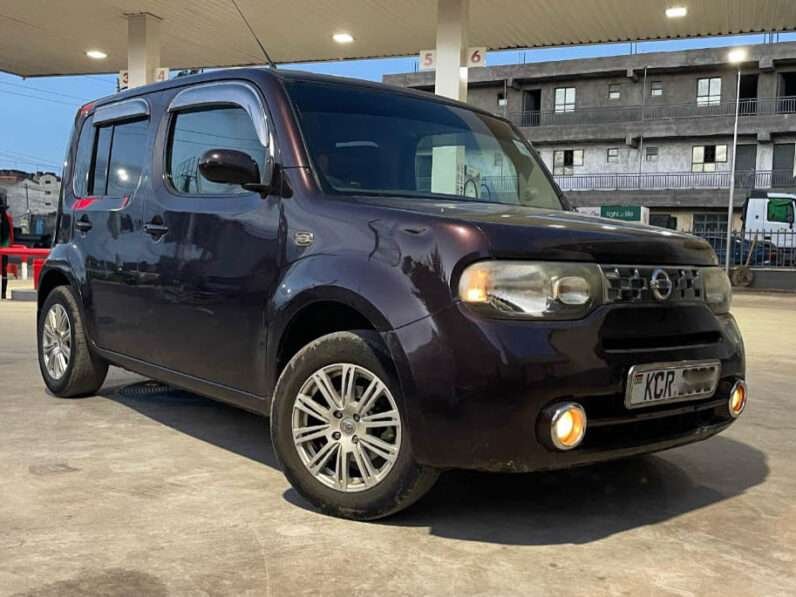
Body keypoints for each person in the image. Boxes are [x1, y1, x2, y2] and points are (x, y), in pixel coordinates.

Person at [0, 191, 12, 299]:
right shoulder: (7, 217)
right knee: (3, 270)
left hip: (3, 245)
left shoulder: (6, 218)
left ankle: (3, 292)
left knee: (3, 270)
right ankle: (3, 293)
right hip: (4, 245)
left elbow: (8, 234)